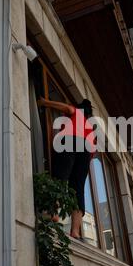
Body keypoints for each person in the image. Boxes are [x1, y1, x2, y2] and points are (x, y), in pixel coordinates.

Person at [37, 98, 96, 241]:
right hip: (86, 152)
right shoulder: (90, 130)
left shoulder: (77, 113)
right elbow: (92, 153)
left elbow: (67, 108)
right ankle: (75, 231)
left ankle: (53, 213)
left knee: (61, 175)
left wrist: (44, 103)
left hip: (70, 140)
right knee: (78, 189)